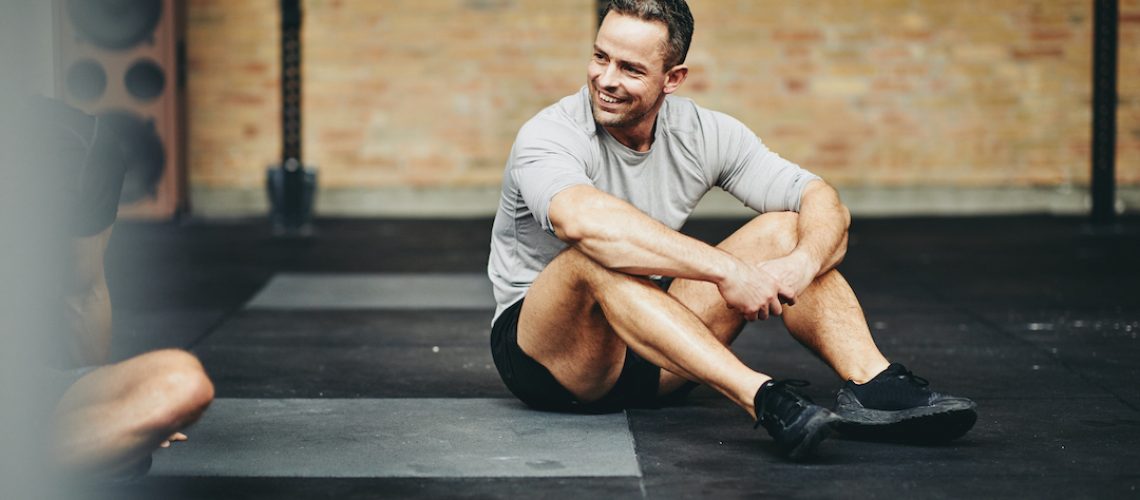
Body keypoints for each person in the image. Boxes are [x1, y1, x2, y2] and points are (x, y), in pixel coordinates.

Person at [487, 0, 976, 460]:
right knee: (590, 256)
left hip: (656, 348)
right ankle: (761, 398)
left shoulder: (703, 133)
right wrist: (727, 271)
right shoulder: (551, 133)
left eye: (631, 69)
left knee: (790, 228)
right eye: (600, 58)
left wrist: (801, 264)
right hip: (550, 358)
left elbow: (822, 200)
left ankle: (875, 385)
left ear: (672, 78)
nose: (606, 79)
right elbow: (581, 221)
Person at [17, 97, 214, 481]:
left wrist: (113, 414)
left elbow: (83, 293)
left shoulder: (81, 145)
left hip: (30, 385)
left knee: (184, 382)